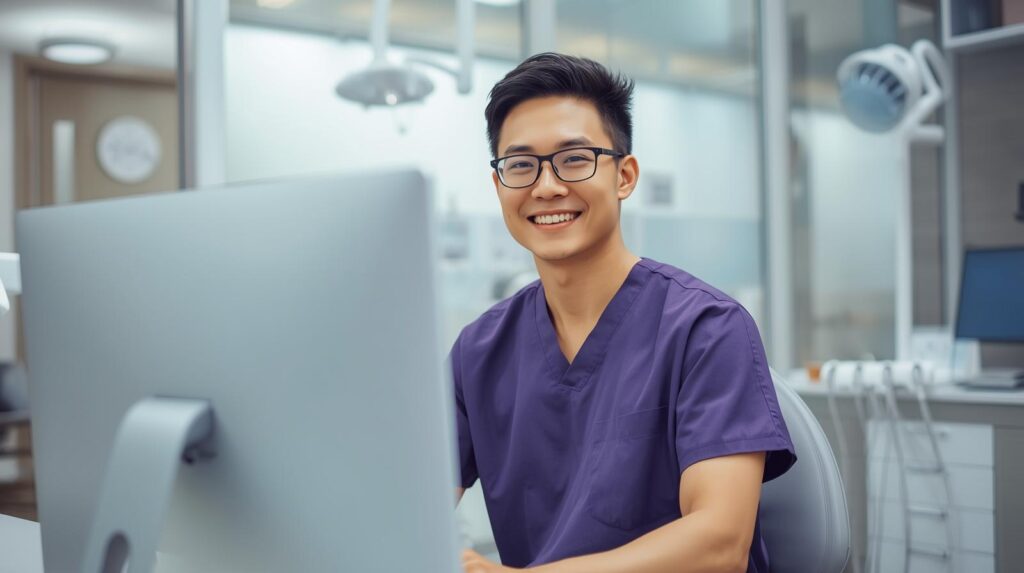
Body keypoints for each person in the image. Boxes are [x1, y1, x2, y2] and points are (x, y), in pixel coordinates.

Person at [453, 53, 796, 573]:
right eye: (520, 165)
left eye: (574, 159)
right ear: (499, 186)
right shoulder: (479, 351)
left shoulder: (705, 329)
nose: (546, 186)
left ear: (625, 176)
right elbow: (404, 510)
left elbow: (719, 545)